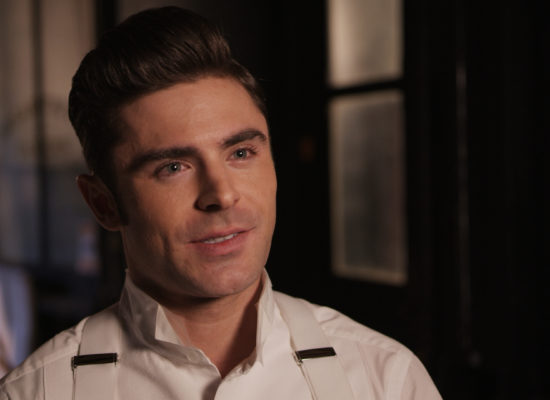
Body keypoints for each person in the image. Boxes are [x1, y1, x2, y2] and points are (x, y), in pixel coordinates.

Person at [0, 7, 441, 399]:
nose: (222, 194)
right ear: (103, 204)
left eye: (241, 153)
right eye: (173, 167)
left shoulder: (384, 379)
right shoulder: (36, 393)